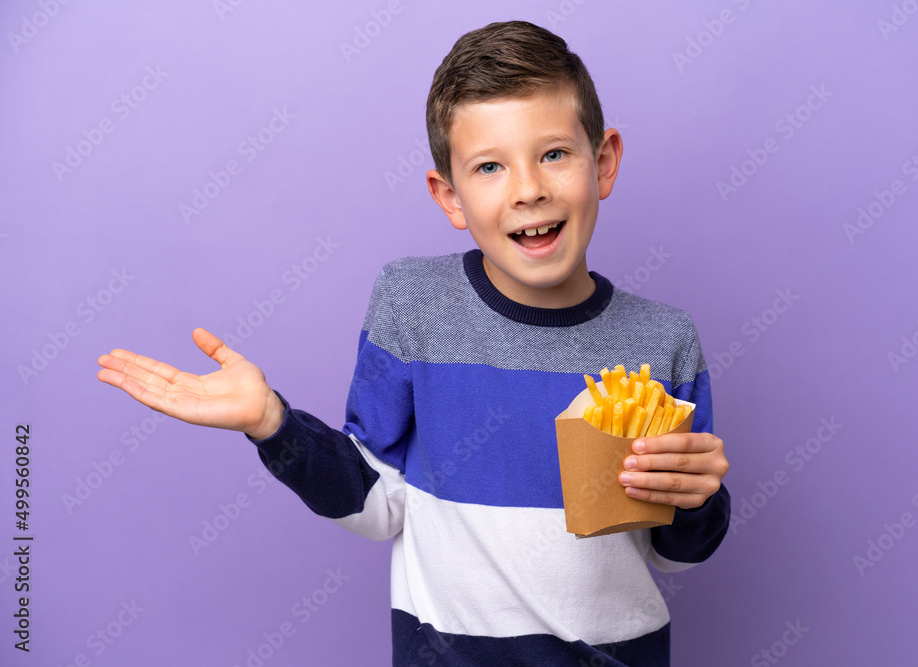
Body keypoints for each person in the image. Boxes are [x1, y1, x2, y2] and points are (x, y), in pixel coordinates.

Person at [97, 20, 730, 666]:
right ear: (450, 197)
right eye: (490, 166)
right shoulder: (412, 304)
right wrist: (273, 423)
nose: (528, 188)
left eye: (554, 154)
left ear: (603, 162)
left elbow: (674, 552)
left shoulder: (665, 339)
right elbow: (378, 500)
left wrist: (698, 497)